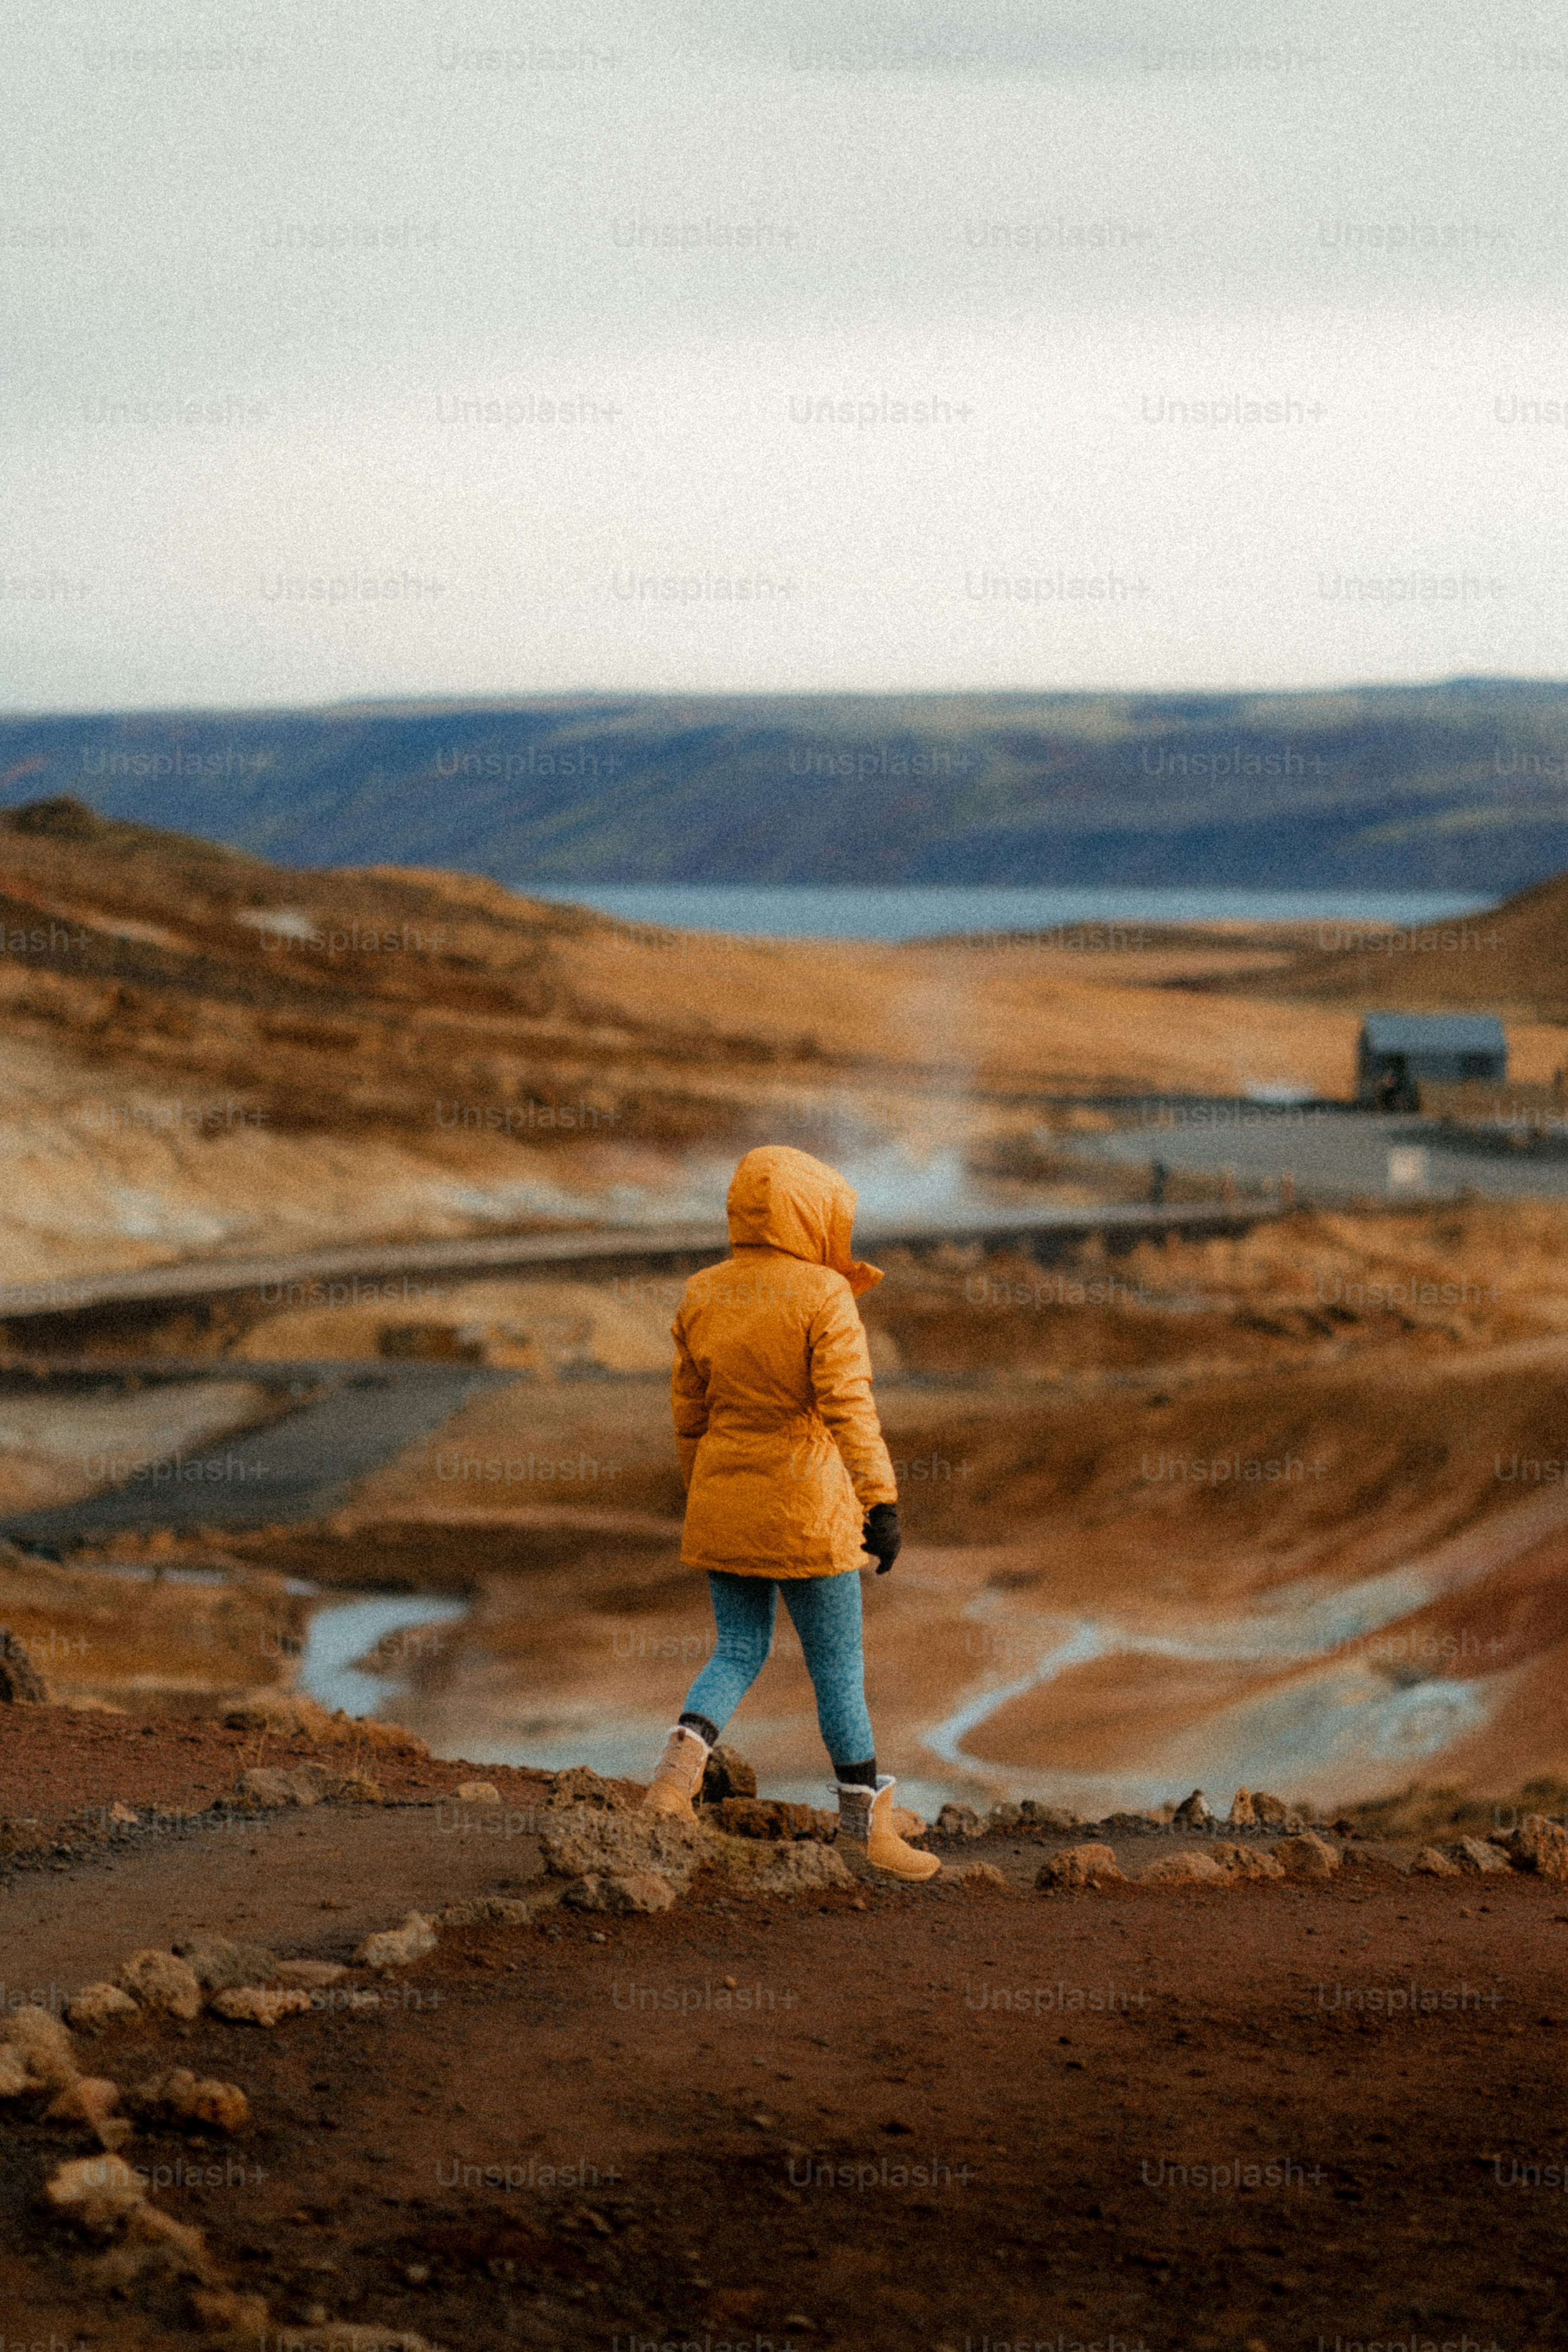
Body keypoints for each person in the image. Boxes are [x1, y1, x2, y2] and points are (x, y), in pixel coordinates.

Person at [639, 1144, 938, 1881]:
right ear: (813, 1213)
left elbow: (689, 1415)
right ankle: (865, 1827)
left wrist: (707, 1495)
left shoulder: (703, 1291)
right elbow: (849, 1407)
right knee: (837, 1669)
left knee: (736, 1650)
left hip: (724, 1502)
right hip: (809, 1512)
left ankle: (670, 1790)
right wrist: (881, 1501)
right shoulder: (824, 1295)